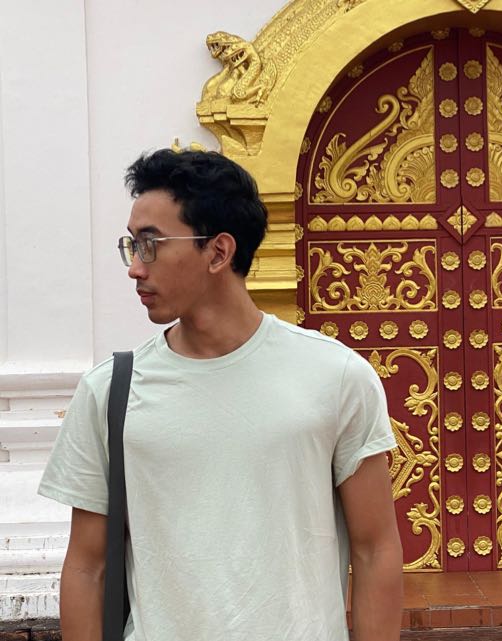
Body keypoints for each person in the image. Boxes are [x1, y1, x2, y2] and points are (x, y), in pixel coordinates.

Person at [38, 149, 403, 641]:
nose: (135, 268)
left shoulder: (335, 375)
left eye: (150, 245)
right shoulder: (109, 390)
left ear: (218, 252)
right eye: (132, 246)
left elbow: (376, 549)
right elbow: (88, 566)